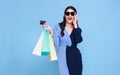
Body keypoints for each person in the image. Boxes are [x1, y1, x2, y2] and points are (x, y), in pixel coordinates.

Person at [42, 6, 83, 75]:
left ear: (75, 16)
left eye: (72, 13)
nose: (70, 15)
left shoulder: (77, 29)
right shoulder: (58, 26)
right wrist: (51, 31)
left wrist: (75, 24)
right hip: (63, 56)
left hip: (75, 57)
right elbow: (56, 43)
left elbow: (79, 40)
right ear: (64, 15)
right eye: (67, 13)